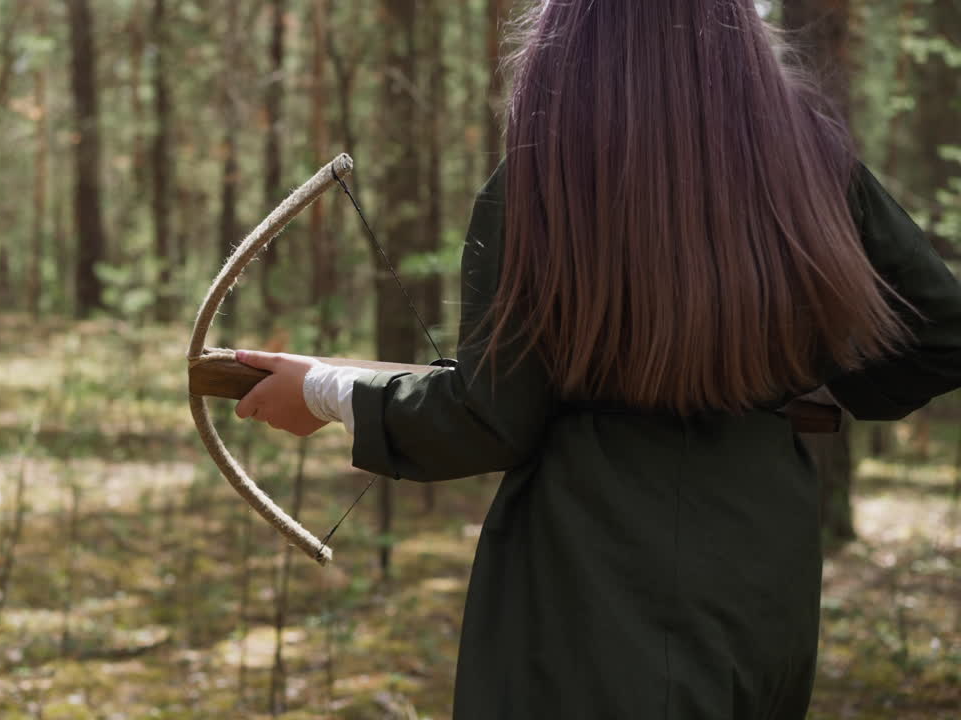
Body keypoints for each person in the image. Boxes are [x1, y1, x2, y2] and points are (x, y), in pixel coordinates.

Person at [231, 0, 961, 717]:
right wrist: (779, 377)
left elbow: (490, 419)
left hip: (594, 588)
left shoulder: (545, 175)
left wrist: (324, 393)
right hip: (760, 576)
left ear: (577, 38)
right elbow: (940, 335)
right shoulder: (812, 160)